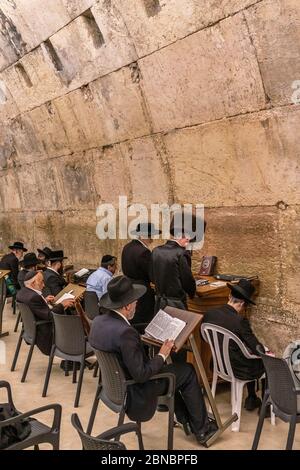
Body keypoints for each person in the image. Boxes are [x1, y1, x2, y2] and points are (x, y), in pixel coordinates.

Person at [89, 275, 217, 446]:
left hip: (113, 386)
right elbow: (142, 374)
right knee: (186, 371)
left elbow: (122, 345)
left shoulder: (98, 322)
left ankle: (185, 418)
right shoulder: (125, 333)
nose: (137, 304)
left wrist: (141, 339)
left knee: (173, 371)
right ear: (127, 306)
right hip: (136, 390)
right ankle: (203, 430)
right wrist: (162, 354)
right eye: (135, 301)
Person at [203, 279, 265, 411]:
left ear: (229, 296)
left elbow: (204, 338)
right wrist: (266, 352)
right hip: (237, 369)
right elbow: (256, 347)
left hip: (217, 365)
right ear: (243, 304)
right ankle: (264, 407)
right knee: (264, 361)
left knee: (246, 354)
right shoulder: (240, 321)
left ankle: (252, 397)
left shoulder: (209, 314)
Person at [16, 271, 74, 355]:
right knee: (75, 325)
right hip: (45, 333)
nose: (44, 285)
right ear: (33, 283)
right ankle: (72, 358)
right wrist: (62, 304)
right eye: (41, 281)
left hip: (30, 330)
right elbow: (49, 316)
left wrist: (44, 300)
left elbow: (35, 307)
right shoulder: (33, 297)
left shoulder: (22, 293)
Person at [152, 216, 202, 311]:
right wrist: (192, 293)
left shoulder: (156, 250)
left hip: (159, 301)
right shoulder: (181, 253)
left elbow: (152, 275)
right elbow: (187, 279)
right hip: (176, 303)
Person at [122, 223, 160, 326]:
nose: (152, 239)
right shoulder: (144, 251)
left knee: (132, 316)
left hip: (129, 286)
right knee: (144, 318)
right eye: (150, 236)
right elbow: (151, 273)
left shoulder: (127, 247)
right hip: (142, 289)